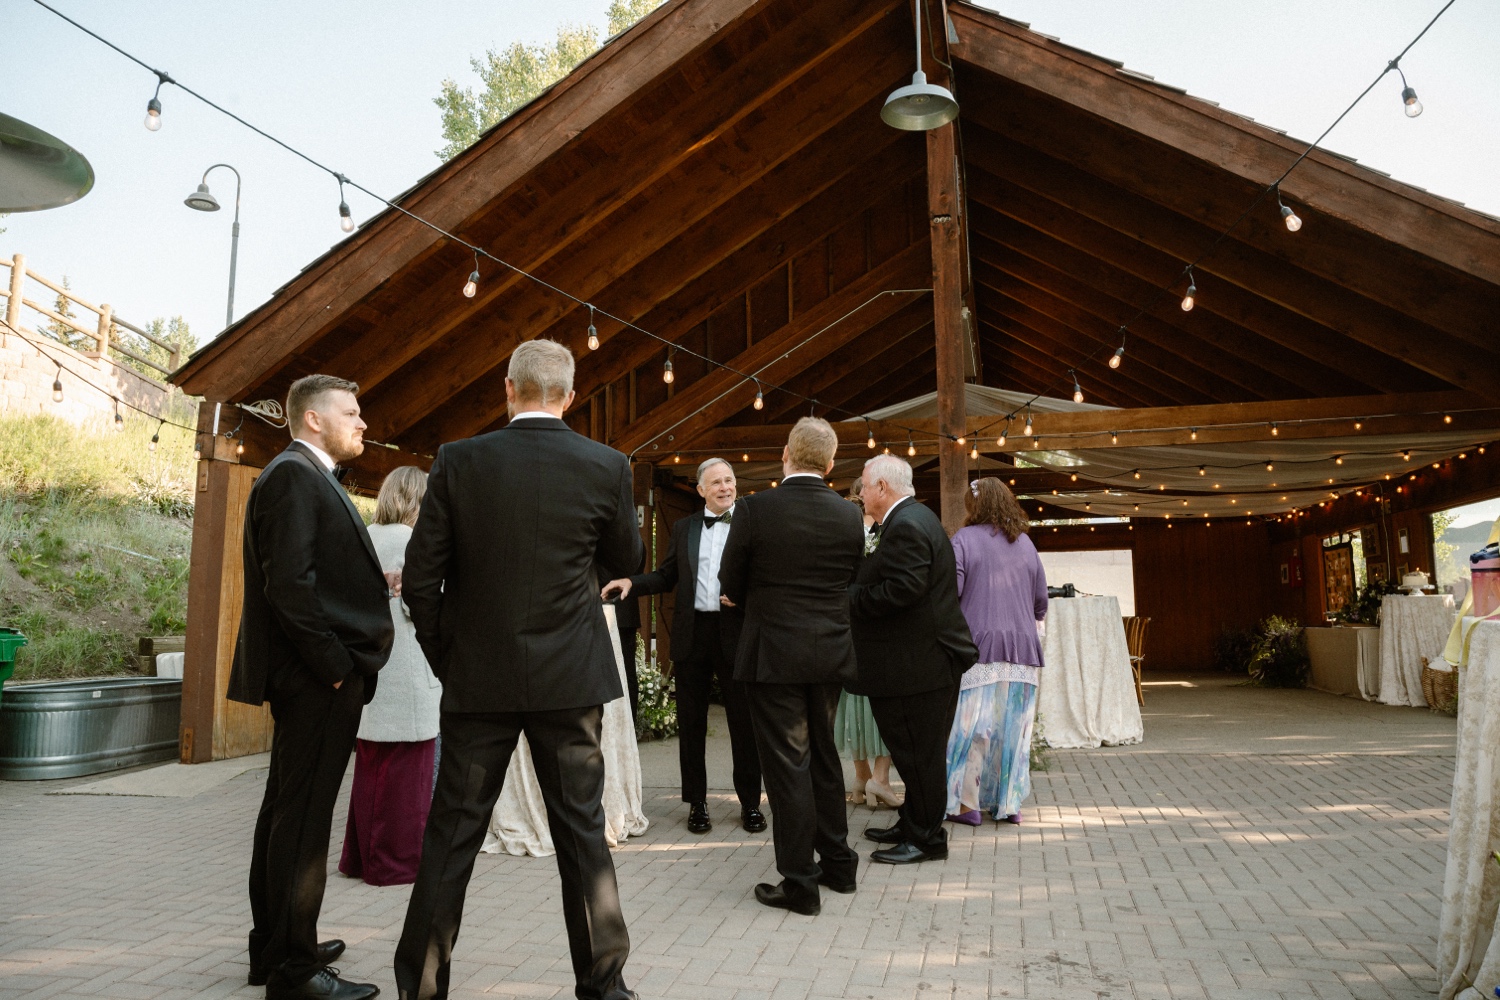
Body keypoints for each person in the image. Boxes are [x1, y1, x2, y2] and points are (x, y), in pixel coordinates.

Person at [395, 339, 644, 1000]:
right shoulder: (607, 465)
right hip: (571, 681)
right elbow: (626, 555)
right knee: (583, 839)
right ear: (569, 395)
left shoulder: (458, 461)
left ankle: (419, 989)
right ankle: (605, 989)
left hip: (479, 680)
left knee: (451, 839)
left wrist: (451, 658)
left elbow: (422, 582)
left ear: (508, 389)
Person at [229, 374, 395, 1000]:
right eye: (351, 413)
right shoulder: (296, 476)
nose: (363, 422)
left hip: (313, 676)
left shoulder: (303, 475)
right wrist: (334, 666)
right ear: (313, 420)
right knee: (302, 823)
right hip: (316, 680)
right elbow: (289, 587)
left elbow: (312, 578)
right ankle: (295, 972)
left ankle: (275, 946)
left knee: (283, 812)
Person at [718, 417, 865, 916]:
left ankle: (800, 884)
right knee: (822, 755)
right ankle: (840, 866)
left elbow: (729, 578)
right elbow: (851, 576)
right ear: (829, 463)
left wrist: (741, 596)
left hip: (774, 654)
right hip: (828, 652)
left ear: (785, 455)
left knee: (787, 767)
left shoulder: (755, 509)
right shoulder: (850, 515)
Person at [602, 457, 765, 835]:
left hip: (736, 634)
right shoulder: (685, 527)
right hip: (693, 635)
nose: (726, 487)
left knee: (744, 724)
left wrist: (746, 598)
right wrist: (631, 583)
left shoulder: (752, 523)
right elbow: (666, 575)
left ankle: (751, 804)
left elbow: (765, 577)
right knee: (691, 725)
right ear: (701, 490)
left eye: (730, 480)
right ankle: (697, 804)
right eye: (717, 483)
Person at [848, 455, 978, 866]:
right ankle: (913, 821)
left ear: (883, 488)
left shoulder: (906, 525)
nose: (861, 494)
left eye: (865, 487)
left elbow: (903, 589)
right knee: (912, 754)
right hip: (915, 663)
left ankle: (927, 840)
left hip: (918, 666)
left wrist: (848, 600)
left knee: (920, 756)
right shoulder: (912, 519)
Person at [338, 466, 442, 887]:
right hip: (409, 672)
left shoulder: (364, 535)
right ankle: (398, 863)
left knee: (370, 771)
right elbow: (424, 607)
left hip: (371, 670)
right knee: (407, 778)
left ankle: (360, 858)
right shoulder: (415, 542)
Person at [945, 478, 1048, 825]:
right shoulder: (1026, 544)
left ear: (975, 506)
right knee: (1013, 730)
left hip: (978, 646)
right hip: (1022, 649)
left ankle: (966, 804)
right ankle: (1009, 804)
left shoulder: (963, 541)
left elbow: (952, 591)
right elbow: (1040, 602)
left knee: (973, 728)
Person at [835, 479, 900, 809]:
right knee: (882, 704)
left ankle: (860, 780)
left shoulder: (841, 533)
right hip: (875, 627)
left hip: (846, 627)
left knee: (853, 701)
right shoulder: (881, 533)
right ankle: (880, 779)